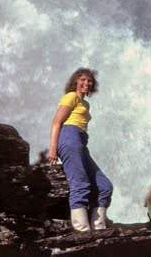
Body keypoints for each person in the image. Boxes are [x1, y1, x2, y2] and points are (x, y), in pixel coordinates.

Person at [47, 68, 113, 232]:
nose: (86, 83)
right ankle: (82, 230)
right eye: (83, 79)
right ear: (75, 81)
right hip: (69, 138)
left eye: (89, 81)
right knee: (80, 183)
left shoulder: (85, 103)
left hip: (81, 142)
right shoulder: (71, 97)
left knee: (105, 186)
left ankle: (98, 227)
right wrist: (53, 149)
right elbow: (56, 122)